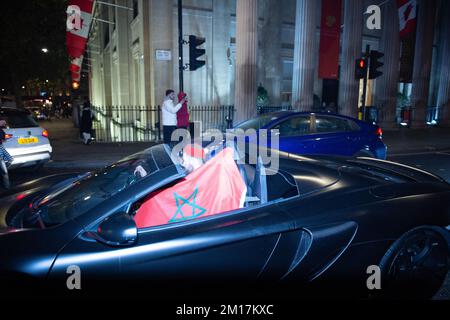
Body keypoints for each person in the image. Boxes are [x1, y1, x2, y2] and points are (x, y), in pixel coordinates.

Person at [0, 120, 13, 190]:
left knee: (10, 160)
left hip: (1, 147)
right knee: (4, 170)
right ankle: (7, 187)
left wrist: (4, 138)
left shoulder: (1, 129)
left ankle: (7, 186)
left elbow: (3, 138)